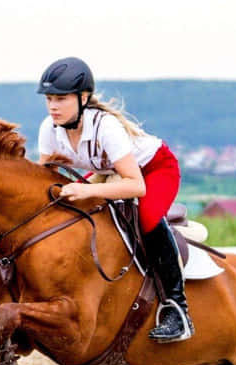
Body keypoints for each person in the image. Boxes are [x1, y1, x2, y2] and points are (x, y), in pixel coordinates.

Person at [36, 56, 193, 342]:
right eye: (49, 99)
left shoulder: (105, 127)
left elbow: (136, 186)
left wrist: (86, 190)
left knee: (146, 218)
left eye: (61, 99)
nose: (53, 106)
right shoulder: (49, 128)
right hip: (109, 173)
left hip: (153, 170)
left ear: (84, 98)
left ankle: (177, 309)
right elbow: (44, 178)